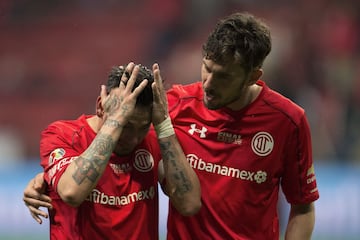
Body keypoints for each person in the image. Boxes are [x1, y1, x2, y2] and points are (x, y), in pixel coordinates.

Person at [24, 11, 319, 240]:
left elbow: (302, 206)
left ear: (254, 76)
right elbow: (109, 127)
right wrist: (48, 177)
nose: (208, 84)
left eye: (224, 76)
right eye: (207, 68)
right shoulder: (171, 105)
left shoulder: (288, 121)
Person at [23, 62, 201, 240]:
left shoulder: (154, 141)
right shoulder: (62, 134)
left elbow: (190, 205)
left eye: (143, 127)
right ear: (101, 107)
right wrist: (115, 122)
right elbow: (72, 192)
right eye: (127, 125)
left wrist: (163, 125)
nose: (133, 138)